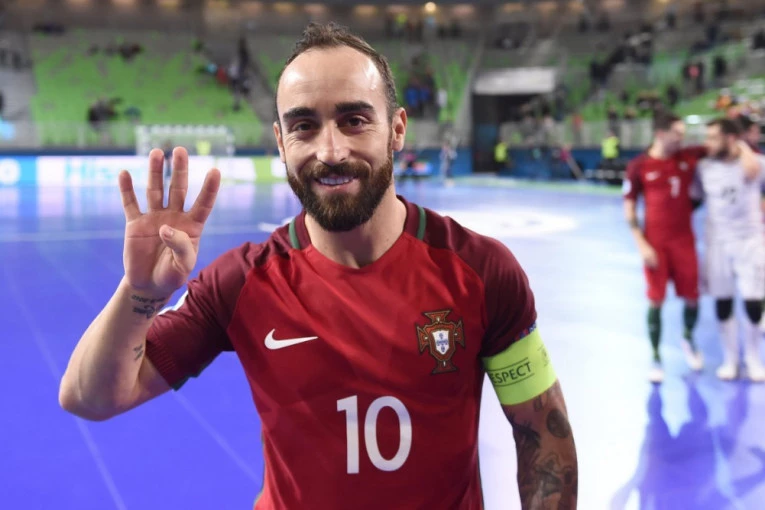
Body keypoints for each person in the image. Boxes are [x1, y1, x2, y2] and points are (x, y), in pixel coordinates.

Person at [58, 23, 578, 509]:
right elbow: (89, 398)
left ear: (397, 129)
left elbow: (543, 433)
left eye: (354, 120)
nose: (330, 151)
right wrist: (140, 293)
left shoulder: (481, 272)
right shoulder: (241, 282)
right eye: (304, 126)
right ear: (281, 142)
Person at [623, 112, 707, 383]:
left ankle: (688, 337)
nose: (682, 138)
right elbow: (629, 207)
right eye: (677, 134)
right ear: (660, 134)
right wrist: (641, 244)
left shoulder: (688, 157)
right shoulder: (638, 166)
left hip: (684, 240)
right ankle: (656, 356)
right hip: (655, 244)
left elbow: (722, 145)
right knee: (656, 299)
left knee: (693, 296)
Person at [690, 118, 765, 382]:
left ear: (731, 138)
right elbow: (692, 200)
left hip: (749, 241)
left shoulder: (756, 165)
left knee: (753, 301)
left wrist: (745, 151)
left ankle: (753, 358)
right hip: (718, 243)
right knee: (723, 301)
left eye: (713, 137)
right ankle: (730, 359)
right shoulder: (704, 168)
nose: (707, 143)